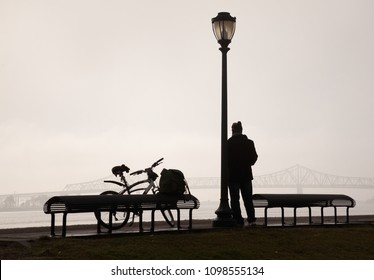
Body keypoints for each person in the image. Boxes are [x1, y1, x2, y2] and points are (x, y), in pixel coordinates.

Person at [227, 121, 258, 225]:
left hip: (233, 176)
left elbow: (225, 160)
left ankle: (238, 219)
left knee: (235, 200)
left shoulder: (228, 143)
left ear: (233, 130)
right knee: (248, 199)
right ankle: (251, 219)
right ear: (241, 130)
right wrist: (246, 163)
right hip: (246, 175)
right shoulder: (249, 142)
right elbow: (254, 158)